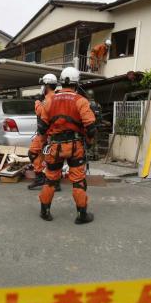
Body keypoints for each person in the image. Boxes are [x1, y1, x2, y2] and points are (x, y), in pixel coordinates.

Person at [37, 67, 97, 224]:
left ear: (61, 82)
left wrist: (44, 144)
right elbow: (91, 127)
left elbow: (42, 128)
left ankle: (45, 211)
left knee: (50, 179)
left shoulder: (49, 100)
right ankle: (81, 215)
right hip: (75, 147)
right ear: (77, 83)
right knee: (78, 180)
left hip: (55, 146)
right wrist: (89, 143)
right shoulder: (81, 101)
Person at [28, 73, 59, 190]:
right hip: (53, 133)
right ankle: (55, 182)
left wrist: (37, 102)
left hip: (45, 133)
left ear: (46, 86)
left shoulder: (48, 99)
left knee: (33, 153)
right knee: (50, 157)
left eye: (42, 85)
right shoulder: (56, 97)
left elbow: (40, 112)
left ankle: (40, 177)